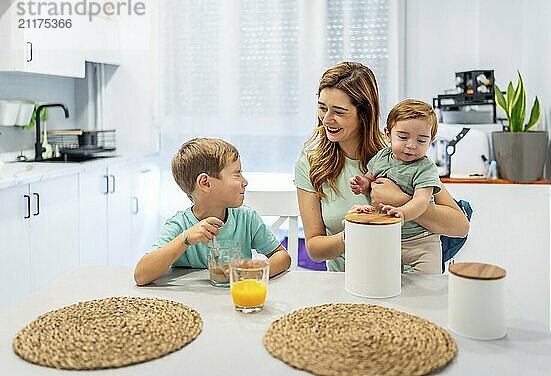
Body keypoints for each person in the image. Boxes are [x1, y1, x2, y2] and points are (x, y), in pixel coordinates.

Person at [294, 61, 469, 273]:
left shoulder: (402, 153)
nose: (327, 119)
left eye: (339, 112)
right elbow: (315, 249)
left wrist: (400, 201)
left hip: (410, 283)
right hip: (349, 284)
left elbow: (459, 226)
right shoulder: (311, 162)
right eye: (322, 108)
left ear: (364, 113)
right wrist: (355, 228)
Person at [134, 138, 291, 286]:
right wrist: (185, 240)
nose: (245, 182)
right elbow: (141, 275)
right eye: (237, 174)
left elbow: (283, 257)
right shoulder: (180, 226)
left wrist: (253, 271)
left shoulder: (246, 218)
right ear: (205, 183)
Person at [349, 99, 443, 273]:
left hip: (421, 242)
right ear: (388, 133)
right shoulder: (382, 157)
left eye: (421, 140)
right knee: (385, 284)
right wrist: (363, 184)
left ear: (431, 140)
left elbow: (422, 201)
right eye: (403, 137)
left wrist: (404, 212)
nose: (411, 145)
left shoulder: (426, 168)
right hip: (386, 237)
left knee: (428, 288)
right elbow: (370, 179)